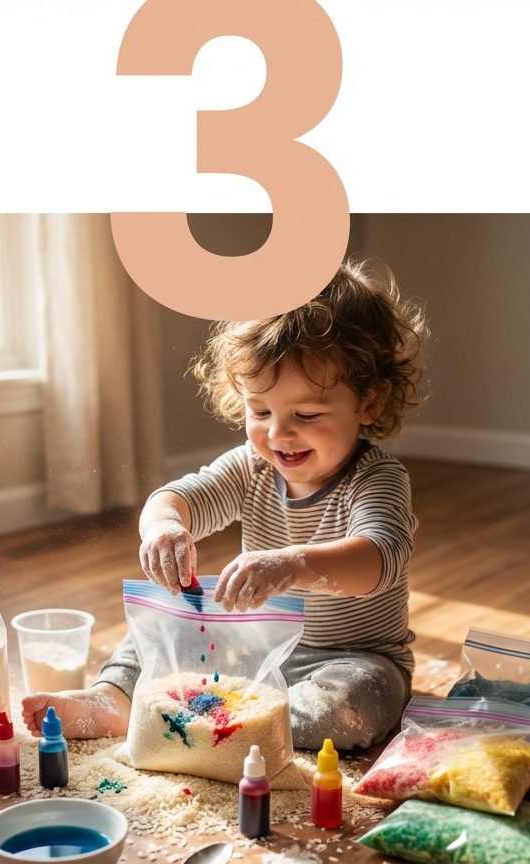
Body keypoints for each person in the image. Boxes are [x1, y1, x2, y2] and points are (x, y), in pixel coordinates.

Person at [22, 259, 428, 751]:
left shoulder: (377, 479)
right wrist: (164, 528)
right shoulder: (250, 468)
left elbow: (376, 560)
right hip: (255, 647)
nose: (279, 433)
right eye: (260, 411)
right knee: (162, 623)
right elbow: (176, 498)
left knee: (343, 706)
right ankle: (113, 699)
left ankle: (249, 722)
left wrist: (292, 564)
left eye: (306, 414)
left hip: (353, 659)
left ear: (370, 403)